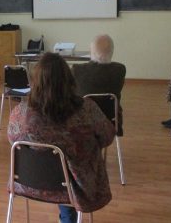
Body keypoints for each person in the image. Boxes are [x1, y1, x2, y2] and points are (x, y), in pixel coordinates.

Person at [8, 53, 115, 223]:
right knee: (70, 169)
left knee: (59, 168)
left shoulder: (20, 113)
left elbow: (13, 139)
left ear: (35, 81)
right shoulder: (87, 110)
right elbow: (107, 137)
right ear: (69, 80)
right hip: (78, 186)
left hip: (29, 182)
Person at [72, 34, 126, 136]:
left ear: (91, 52)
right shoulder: (120, 70)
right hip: (111, 121)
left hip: (83, 122)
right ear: (112, 52)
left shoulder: (77, 70)